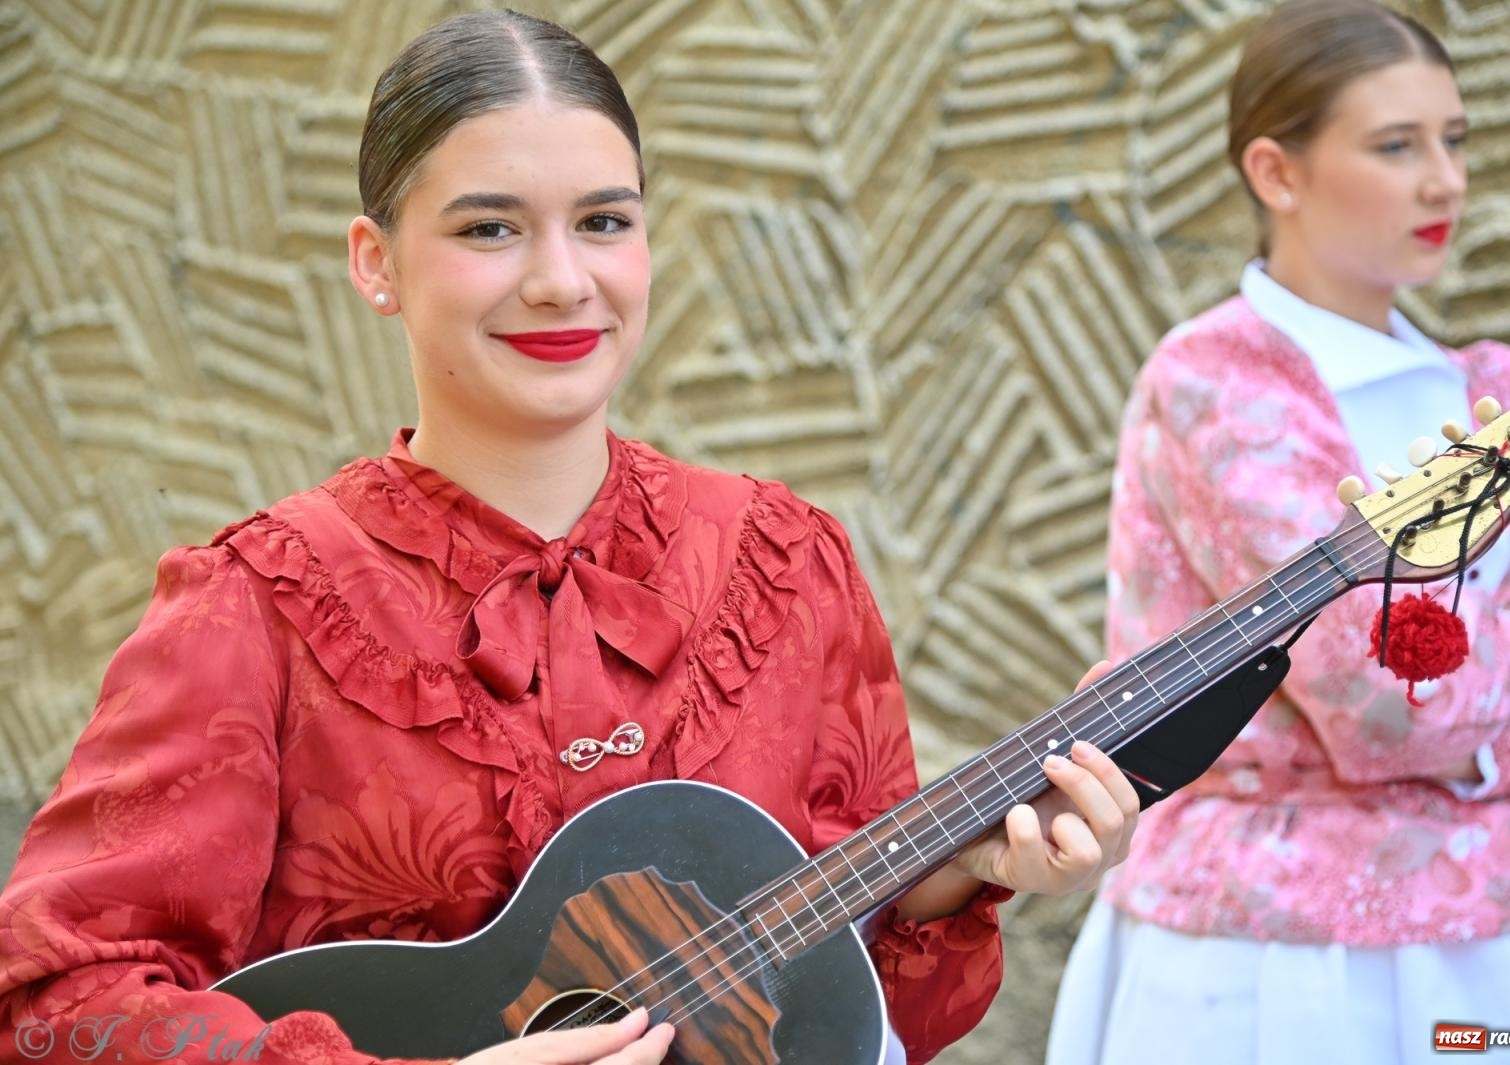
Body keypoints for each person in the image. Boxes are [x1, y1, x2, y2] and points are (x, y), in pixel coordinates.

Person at [0, 11, 1141, 1065]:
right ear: (374, 263)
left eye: (603, 221)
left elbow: (862, 1016)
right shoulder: (252, 604)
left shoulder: (788, 564)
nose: (561, 280)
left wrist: (955, 878)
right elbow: (55, 1002)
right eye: (489, 228)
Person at [1045, 2, 1510, 1062]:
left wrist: (1480, 684)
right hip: (1269, 958)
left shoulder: (1497, 391)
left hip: (1502, 943)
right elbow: (1384, 704)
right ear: (1276, 171)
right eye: (1395, 146)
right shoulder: (1218, 384)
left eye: (1454, 138)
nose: (1444, 180)